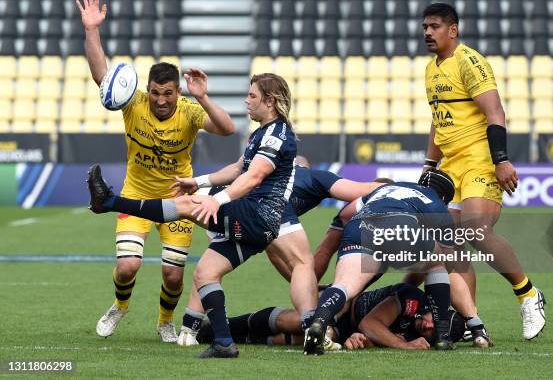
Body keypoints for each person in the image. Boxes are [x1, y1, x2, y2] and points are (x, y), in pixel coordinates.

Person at [88, 73, 299, 358]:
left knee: (188, 207)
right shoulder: (262, 131)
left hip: (259, 214)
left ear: (270, 101)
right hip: (255, 224)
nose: (246, 101)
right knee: (205, 272)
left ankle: (109, 202)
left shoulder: (276, 134)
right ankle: (224, 343)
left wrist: (218, 200)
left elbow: (254, 176)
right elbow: (238, 169)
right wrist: (198, 182)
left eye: (252, 96)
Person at [75, 0, 235, 342]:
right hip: (136, 197)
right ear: (147, 89)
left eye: (169, 93)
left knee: (173, 276)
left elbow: (227, 129)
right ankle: (120, 306)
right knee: (127, 266)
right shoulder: (134, 104)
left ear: (178, 91)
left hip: (178, 201)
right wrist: (91, 30)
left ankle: (164, 320)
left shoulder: (191, 110)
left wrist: (204, 97)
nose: (162, 100)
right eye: (156, 92)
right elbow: (102, 76)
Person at [420, 2, 545, 340]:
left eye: (434, 27)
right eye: (425, 27)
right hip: (450, 167)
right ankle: (471, 323)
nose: (428, 33)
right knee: (449, 246)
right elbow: (438, 121)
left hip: (480, 160)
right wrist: (429, 165)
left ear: (453, 30)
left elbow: (495, 112)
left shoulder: (470, 62)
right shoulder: (431, 70)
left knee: (476, 231)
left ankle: (529, 295)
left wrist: (501, 160)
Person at [172, 157, 385, 346]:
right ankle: (314, 325)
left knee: (208, 270)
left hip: (228, 207)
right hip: (259, 215)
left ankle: (189, 330)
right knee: (302, 263)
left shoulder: (268, 170)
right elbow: (364, 190)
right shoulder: (317, 177)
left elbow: (275, 251)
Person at [303, 170, 461, 354]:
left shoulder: (388, 188)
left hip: (360, 225)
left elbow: (345, 215)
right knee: (437, 264)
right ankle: (442, 336)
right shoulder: (436, 203)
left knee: (346, 285)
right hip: (400, 225)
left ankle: (318, 323)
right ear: (444, 198)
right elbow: (449, 258)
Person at [195, 283, 466, 351]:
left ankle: (237, 338)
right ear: (435, 311)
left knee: (295, 340)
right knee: (295, 321)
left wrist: (363, 342)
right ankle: (218, 328)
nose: (428, 325)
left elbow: (371, 335)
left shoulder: (419, 336)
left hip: (346, 330)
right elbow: (371, 323)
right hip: (341, 306)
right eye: (434, 319)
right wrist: (402, 345)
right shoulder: (411, 298)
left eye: (432, 331)